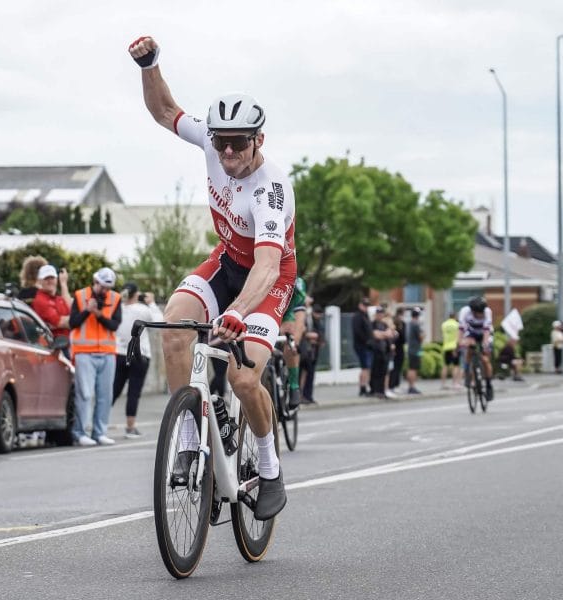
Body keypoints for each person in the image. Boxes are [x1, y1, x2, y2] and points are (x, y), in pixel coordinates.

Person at [129, 35, 296, 521]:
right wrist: (150, 65)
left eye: (238, 144)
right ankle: (188, 440)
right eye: (221, 141)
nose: (227, 152)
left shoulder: (269, 191)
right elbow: (165, 112)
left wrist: (237, 313)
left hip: (268, 281)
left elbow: (266, 267)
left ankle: (268, 468)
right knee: (176, 325)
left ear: (258, 140)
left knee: (244, 379)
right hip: (226, 262)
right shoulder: (213, 139)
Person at [69, 267, 122, 446]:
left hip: (107, 353)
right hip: (84, 353)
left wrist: (98, 314)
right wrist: (86, 311)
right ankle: (81, 432)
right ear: (95, 282)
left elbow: (114, 325)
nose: (105, 291)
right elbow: (73, 323)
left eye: (108, 288)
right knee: (85, 394)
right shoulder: (79, 296)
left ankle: (100, 432)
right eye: (102, 287)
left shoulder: (115, 298)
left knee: (105, 395)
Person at [113, 283, 163, 438]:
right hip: (139, 355)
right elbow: (159, 323)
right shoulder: (143, 310)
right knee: (134, 392)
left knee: (114, 389)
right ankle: (130, 427)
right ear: (136, 295)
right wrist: (152, 303)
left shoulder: (117, 309)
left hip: (119, 353)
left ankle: (98, 423)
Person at [458, 296, 494, 401]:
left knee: (485, 360)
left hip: (484, 332)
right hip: (472, 332)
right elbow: (461, 329)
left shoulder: (487, 312)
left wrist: (485, 345)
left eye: (481, 312)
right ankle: (467, 373)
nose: (480, 314)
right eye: (478, 312)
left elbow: (487, 330)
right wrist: (459, 343)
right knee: (469, 347)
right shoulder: (465, 312)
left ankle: (488, 385)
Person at [279, 276, 308, 409]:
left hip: (288, 312)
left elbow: (299, 316)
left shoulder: (297, 282)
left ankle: (294, 386)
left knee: (290, 340)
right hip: (267, 308)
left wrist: (294, 341)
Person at [32, 265, 71, 347]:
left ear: (57, 279)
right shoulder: (40, 300)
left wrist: (63, 284)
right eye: (46, 278)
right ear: (40, 281)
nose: (50, 281)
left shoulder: (58, 299)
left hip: (65, 345)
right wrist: (77, 319)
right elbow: (62, 323)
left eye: (52, 278)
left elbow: (71, 311)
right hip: (52, 348)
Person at [299, 302, 324, 404]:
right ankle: (301, 396)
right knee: (300, 374)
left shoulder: (314, 321)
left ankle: (307, 396)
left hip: (311, 351)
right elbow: (301, 332)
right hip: (303, 350)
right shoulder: (303, 319)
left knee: (310, 373)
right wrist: (308, 335)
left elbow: (320, 334)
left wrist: (318, 339)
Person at [369, 305, 395, 399]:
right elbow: (375, 335)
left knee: (383, 372)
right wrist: (384, 334)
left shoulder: (384, 324)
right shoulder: (372, 324)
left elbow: (390, 334)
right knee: (375, 371)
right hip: (376, 350)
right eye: (378, 314)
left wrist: (383, 334)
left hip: (385, 351)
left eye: (381, 314)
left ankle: (381, 390)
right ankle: (374, 390)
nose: (379, 315)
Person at [351, 297, 373, 397]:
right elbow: (358, 331)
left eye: (367, 305)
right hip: (361, 345)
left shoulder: (366, 316)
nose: (366, 307)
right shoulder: (358, 316)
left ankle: (364, 386)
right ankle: (362, 387)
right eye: (364, 305)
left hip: (367, 345)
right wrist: (366, 340)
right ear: (360, 305)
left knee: (367, 368)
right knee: (365, 367)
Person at [440, 312, 462, 389]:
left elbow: (443, 335)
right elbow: (460, 336)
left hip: (446, 346)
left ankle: (443, 384)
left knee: (445, 365)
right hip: (455, 347)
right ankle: (455, 383)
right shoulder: (457, 325)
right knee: (456, 366)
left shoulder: (444, 324)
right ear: (455, 317)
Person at [405, 308, 424, 394]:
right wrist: (423, 334)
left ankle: (410, 386)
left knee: (411, 368)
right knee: (414, 368)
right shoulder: (416, 324)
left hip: (410, 349)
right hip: (415, 349)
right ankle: (412, 387)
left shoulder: (409, 324)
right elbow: (421, 337)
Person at [388, 307, 407, 393]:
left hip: (399, 348)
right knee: (395, 368)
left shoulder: (402, 323)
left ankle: (396, 385)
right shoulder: (396, 323)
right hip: (396, 348)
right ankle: (392, 385)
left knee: (398, 367)